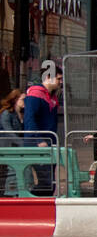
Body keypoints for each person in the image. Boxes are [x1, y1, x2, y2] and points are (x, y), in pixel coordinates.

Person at [23, 66, 62, 197]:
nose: (60, 82)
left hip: (49, 142)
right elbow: (29, 120)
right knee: (46, 181)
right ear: (48, 77)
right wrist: (38, 140)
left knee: (49, 182)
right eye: (58, 79)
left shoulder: (51, 97)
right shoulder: (35, 95)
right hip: (39, 143)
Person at [0, 89, 23, 196]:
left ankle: (13, 191)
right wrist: (24, 144)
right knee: (6, 171)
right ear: (15, 100)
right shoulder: (6, 114)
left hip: (15, 147)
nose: (25, 102)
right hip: (6, 146)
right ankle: (7, 192)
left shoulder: (20, 114)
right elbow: (9, 132)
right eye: (23, 99)